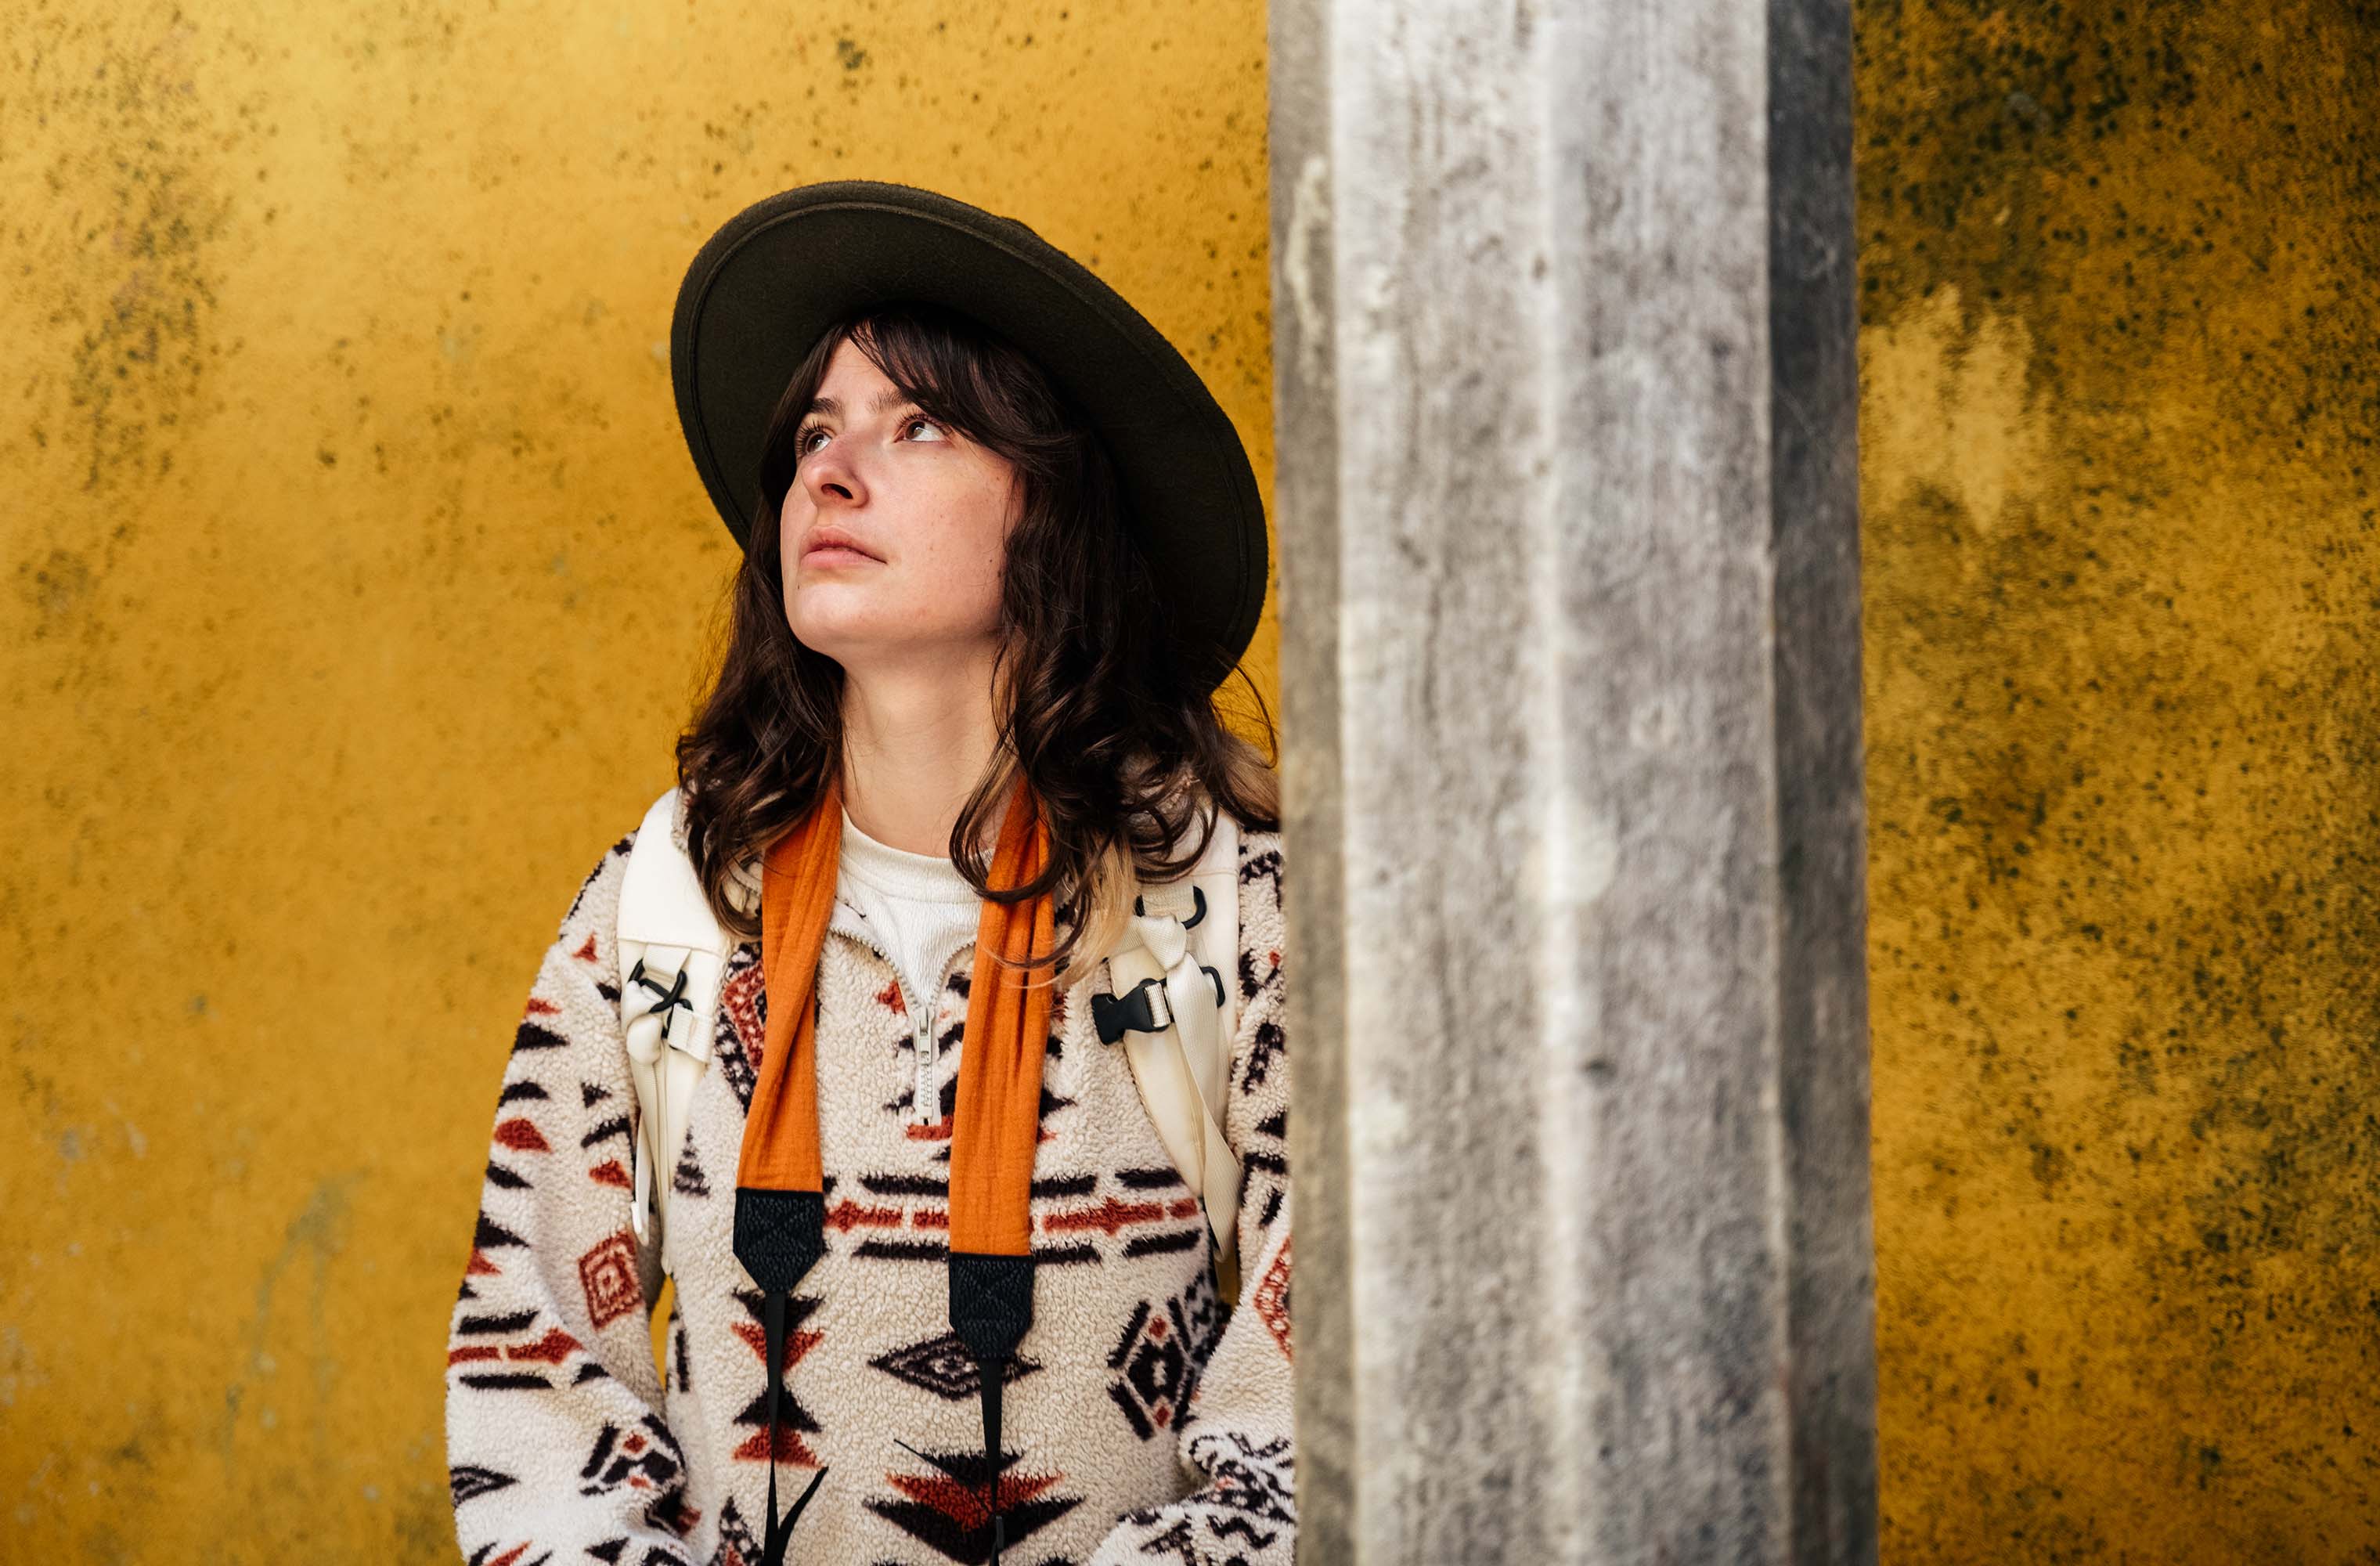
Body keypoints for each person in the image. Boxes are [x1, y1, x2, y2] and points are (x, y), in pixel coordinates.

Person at [442, 181, 1294, 1566]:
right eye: (815, 434)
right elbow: (531, 1376)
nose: (830, 475)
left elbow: (1312, 1431)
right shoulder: (669, 902)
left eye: (921, 426)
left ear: (1059, 510)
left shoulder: (1229, 913)